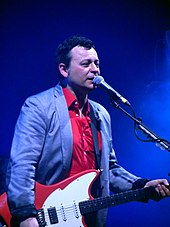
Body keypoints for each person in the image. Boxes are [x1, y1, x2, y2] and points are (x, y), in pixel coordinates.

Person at [6, 35, 170, 227]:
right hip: (45, 216)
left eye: (96, 63)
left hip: (87, 219)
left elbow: (110, 170)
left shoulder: (101, 114)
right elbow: (22, 165)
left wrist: (141, 184)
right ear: (64, 69)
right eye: (86, 64)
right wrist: (25, 214)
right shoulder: (38, 107)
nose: (95, 70)